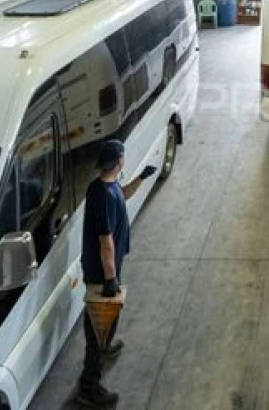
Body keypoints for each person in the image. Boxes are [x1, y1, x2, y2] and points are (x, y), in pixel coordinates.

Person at [75, 139, 157, 408]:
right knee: (99, 327)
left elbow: (123, 193)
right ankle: (88, 387)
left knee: (104, 321)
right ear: (119, 160)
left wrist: (141, 178)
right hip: (102, 272)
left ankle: (105, 344)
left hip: (106, 267)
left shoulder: (104, 187)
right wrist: (110, 279)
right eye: (123, 156)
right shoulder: (104, 196)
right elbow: (105, 241)